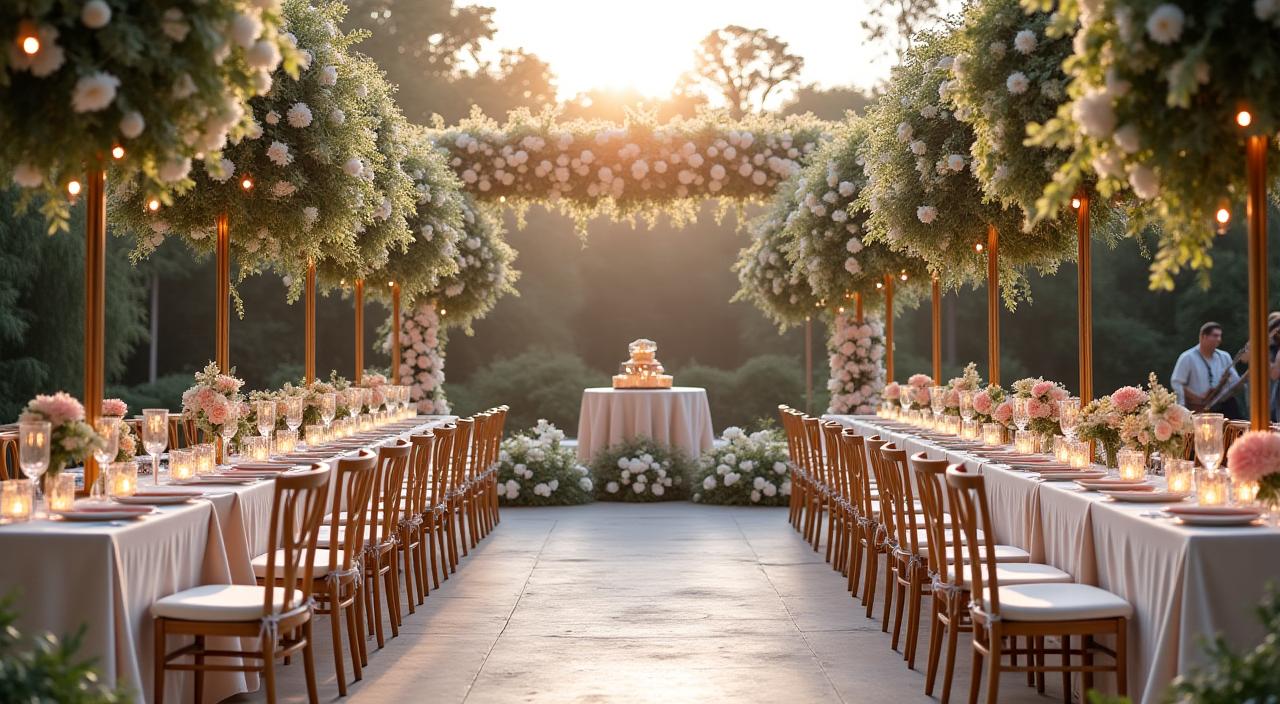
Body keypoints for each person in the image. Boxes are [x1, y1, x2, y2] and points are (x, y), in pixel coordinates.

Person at [1171, 322, 1244, 419]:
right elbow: (1177, 382)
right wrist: (1194, 401)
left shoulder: (1224, 357)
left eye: (1220, 336)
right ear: (1203, 337)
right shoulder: (1187, 357)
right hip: (1197, 409)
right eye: (1215, 336)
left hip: (1222, 406)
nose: (1219, 339)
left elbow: (1235, 382)